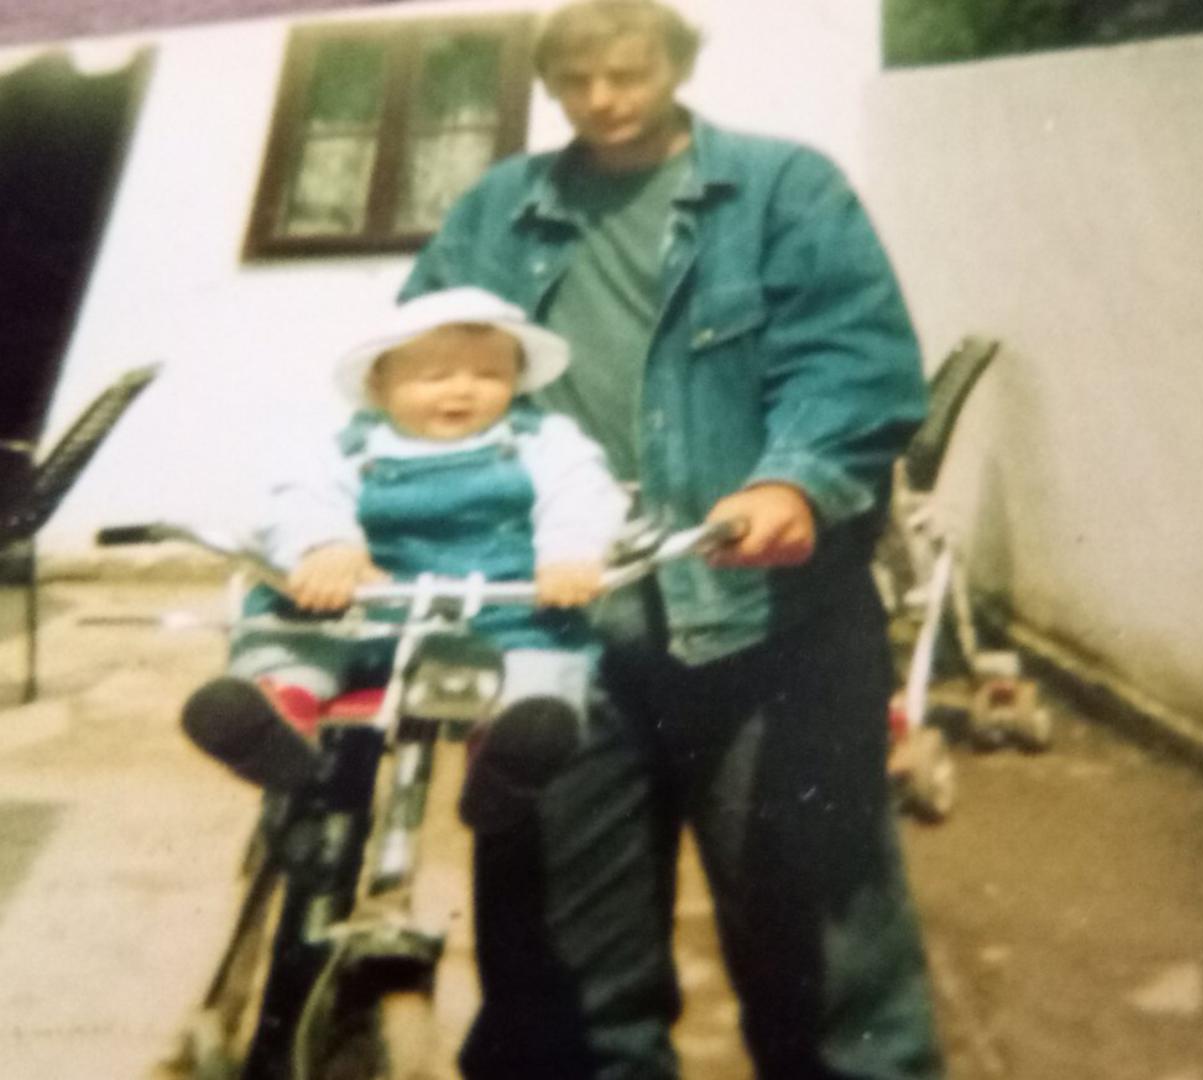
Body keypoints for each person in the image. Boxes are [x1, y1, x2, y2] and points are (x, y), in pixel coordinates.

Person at [401, 2, 945, 1077]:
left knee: (827, 968)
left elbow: (853, 358)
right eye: (576, 82)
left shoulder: (783, 189)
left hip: (768, 628)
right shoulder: (498, 211)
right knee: (561, 981)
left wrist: (793, 478)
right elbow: (416, 367)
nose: (602, 100)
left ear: (678, 64)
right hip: (559, 634)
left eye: (627, 73)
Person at [181, 286, 630, 819]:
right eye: (435, 376)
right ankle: (278, 715)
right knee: (297, 633)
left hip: (497, 608)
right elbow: (301, 495)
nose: (463, 390)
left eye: (489, 375)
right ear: (379, 384)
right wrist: (325, 545)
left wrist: (571, 552)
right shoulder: (348, 447)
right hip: (362, 606)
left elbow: (581, 492)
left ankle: (507, 758)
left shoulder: (544, 440)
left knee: (541, 661)